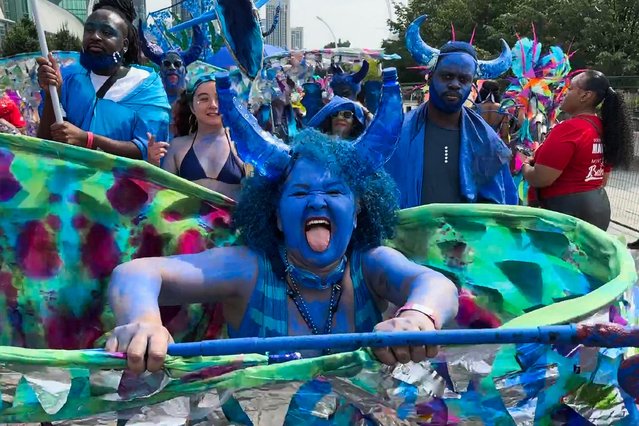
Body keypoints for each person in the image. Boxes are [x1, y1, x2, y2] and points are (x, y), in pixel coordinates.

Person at [105, 69, 459, 374]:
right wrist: (144, 322)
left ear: (357, 211)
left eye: (335, 194)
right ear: (275, 213)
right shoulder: (249, 268)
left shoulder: (369, 262)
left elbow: (435, 283)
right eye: (300, 193)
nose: (317, 202)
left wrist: (417, 316)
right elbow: (135, 273)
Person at [386, 15, 517, 208]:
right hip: (410, 236)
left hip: (467, 237)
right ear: (430, 78)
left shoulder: (488, 141)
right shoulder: (397, 134)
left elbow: (499, 206)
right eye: (447, 76)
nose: (455, 84)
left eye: (463, 80)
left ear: (471, 85)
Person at [36, 0, 170, 160]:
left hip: (122, 183)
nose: (95, 37)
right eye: (89, 30)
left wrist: (88, 140)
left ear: (124, 44)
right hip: (70, 182)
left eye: (107, 32)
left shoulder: (147, 85)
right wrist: (52, 94)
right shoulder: (67, 77)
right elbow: (45, 143)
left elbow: (150, 149)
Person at [521, 70, 633, 230]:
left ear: (585, 95)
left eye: (570, 89)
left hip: (565, 216)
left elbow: (541, 178)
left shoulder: (571, 128)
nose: (563, 94)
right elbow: (602, 179)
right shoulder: (604, 129)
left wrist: (524, 165)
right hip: (597, 211)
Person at [148, 75, 247, 199]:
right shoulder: (177, 146)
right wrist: (153, 165)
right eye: (204, 99)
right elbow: (161, 196)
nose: (213, 105)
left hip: (235, 218)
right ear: (192, 107)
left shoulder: (242, 145)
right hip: (186, 217)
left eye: (219, 99)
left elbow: (258, 193)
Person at [139, 21, 206, 106]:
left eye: (177, 64)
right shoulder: (150, 98)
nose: (172, 68)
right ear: (161, 70)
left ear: (184, 70)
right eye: (166, 64)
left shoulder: (197, 98)